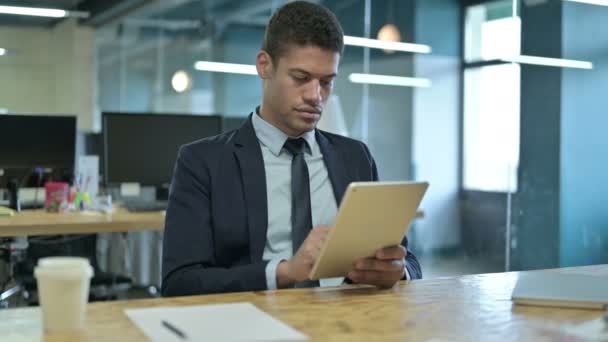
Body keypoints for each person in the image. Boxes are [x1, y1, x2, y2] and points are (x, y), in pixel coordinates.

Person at [161, 1, 421, 296]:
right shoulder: (203, 162)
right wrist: (285, 272)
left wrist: (398, 272)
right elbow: (179, 283)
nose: (315, 96)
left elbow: (406, 258)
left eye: (326, 82)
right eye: (300, 78)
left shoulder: (355, 157)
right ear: (264, 65)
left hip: (348, 323)